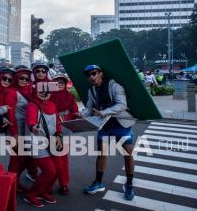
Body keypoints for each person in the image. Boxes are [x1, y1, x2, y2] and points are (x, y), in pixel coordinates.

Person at [81, 65, 136, 201]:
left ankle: (129, 185)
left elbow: (122, 105)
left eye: (94, 73)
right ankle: (98, 182)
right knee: (101, 154)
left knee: (127, 154)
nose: (91, 77)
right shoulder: (92, 90)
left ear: (101, 73)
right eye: (88, 75)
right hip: (105, 126)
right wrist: (81, 115)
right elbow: (89, 108)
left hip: (121, 125)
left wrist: (104, 112)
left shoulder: (115, 86)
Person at [23, 89, 62, 207]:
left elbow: (57, 123)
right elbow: (30, 119)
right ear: (36, 91)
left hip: (50, 141)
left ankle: (42, 191)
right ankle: (30, 195)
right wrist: (32, 127)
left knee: (57, 170)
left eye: (48, 91)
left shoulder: (52, 105)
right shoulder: (32, 105)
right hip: (36, 142)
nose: (45, 93)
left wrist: (59, 136)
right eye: (41, 91)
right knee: (50, 171)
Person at [50, 73, 79, 195]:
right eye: (57, 82)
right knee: (52, 157)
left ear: (65, 83)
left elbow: (75, 111)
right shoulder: (49, 95)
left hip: (65, 127)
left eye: (61, 82)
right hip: (51, 126)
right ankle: (50, 182)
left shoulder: (70, 96)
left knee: (62, 157)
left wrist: (67, 117)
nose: (59, 84)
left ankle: (64, 183)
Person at [8, 65, 33, 192]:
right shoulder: (12, 92)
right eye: (21, 78)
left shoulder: (28, 90)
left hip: (26, 126)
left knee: (25, 155)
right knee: (15, 157)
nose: (24, 80)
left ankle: (14, 179)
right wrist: (14, 134)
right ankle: (12, 183)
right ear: (16, 78)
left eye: (27, 78)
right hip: (16, 126)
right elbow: (10, 114)